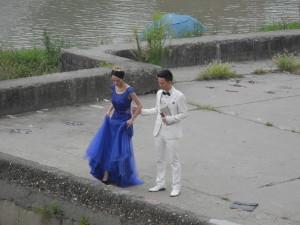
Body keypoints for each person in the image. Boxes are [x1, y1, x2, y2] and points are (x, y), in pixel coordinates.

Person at [85, 66, 144, 188]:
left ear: (123, 78)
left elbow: (139, 105)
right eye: (113, 80)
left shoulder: (129, 91)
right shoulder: (114, 87)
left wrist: (132, 120)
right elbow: (114, 100)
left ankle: (121, 176)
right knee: (109, 147)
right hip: (113, 122)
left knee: (120, 151)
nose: (115, 83)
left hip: (124, 124)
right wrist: (109, 111)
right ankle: (106, 175)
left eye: (118, 80)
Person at [139, 69, 187, 197]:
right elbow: (157, 109)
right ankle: (160, 183)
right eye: (159, 83)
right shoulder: (160, 93)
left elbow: (183, 114)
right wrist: (141, 111)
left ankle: (176, 186)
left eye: (162, 83)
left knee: (174, 160)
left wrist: (169, 119)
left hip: (172, 132)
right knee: (159, 158)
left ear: (169, 82)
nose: (160, 86)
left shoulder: (180, 96)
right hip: (159, 129)